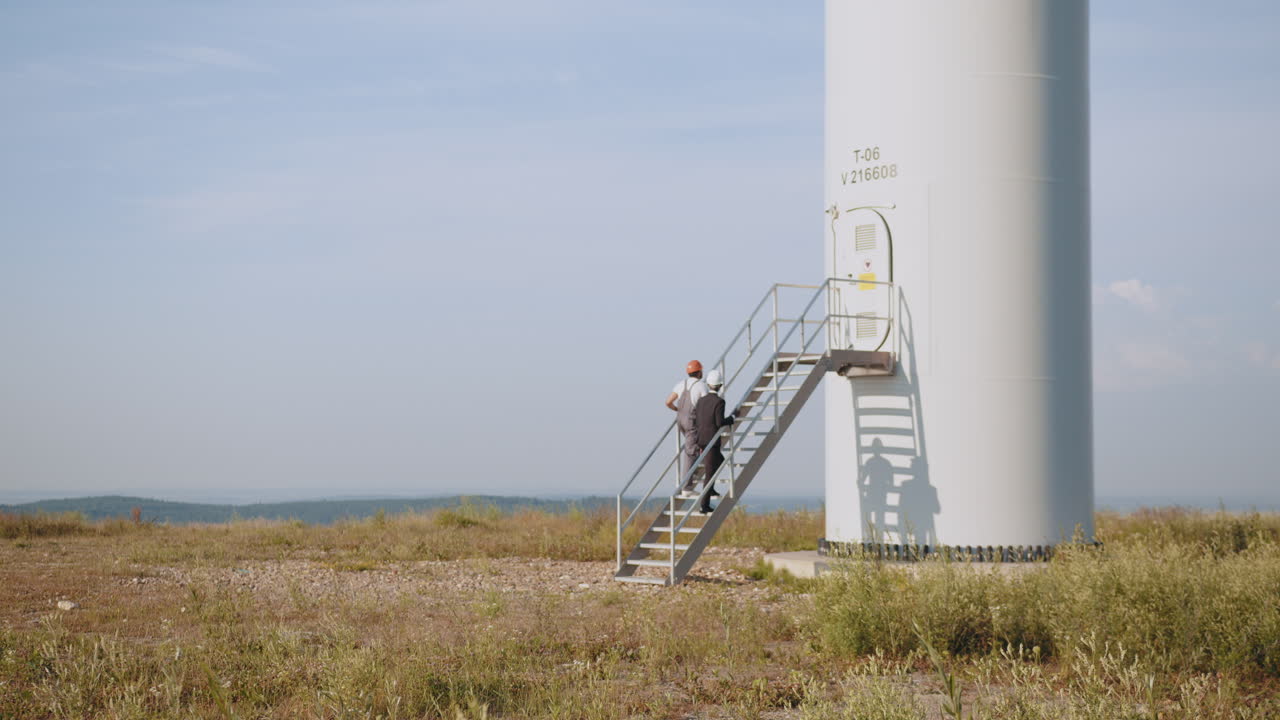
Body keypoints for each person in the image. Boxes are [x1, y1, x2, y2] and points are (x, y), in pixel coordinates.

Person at [692, 368, 736, 513]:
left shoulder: (701, 401)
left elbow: (697, 418)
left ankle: (710, 490)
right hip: (712, 441)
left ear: (708, 384)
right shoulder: (719, 402)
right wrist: (732, 419)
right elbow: (719, 422)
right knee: (710, 472)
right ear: (720, 386)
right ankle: (704, 506)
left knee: (720, 461)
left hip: (701, 439)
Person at [665, 360, 708, 488]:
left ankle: (694, 468)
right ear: (700, 372)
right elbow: (706, 406)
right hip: (691, 421)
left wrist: (678, 410)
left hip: (681, 420)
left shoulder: (680, 384)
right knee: (690, 452)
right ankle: (687, 486)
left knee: (691, 445)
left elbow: (668, 402)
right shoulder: (701, 386)